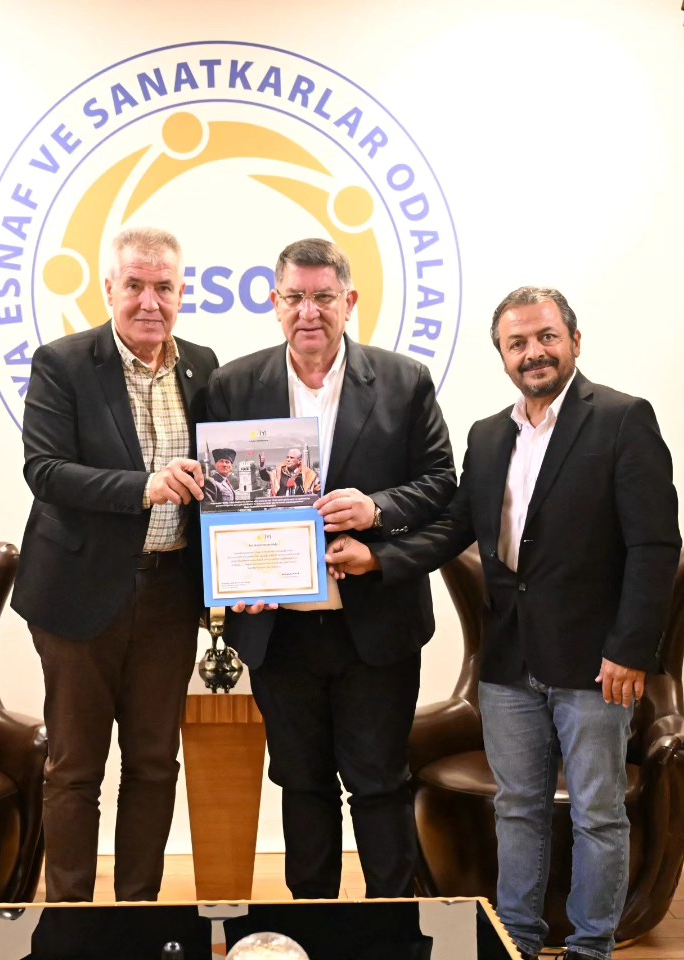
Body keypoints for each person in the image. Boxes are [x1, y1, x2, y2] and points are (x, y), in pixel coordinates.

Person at [326, 286, 680, 960]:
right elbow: (454, 526)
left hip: (596, 663)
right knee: (516, 808)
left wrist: (631, 650)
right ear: (503, 355)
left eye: (546, 337)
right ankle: (516, 941)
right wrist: (378, 558)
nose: (533, 352)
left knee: (598, 814)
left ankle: (591, 948)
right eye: (517, 343)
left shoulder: (623, 419)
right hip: (508, 662)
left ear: (574, 341)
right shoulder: (488, 436)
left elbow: (654, 546)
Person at [205, 238, 457, 899]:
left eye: (323, 297)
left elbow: (441, 484)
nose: (308, 311)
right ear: (274, 302)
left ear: (350, 301)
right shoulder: (233, 386)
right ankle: (312, 923)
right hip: (278, 630)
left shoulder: (404, 381)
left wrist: (377, 510)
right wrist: (236, 583)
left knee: (379, 784)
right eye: (295, 297)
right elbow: (215, 503)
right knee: (302, 784)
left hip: (376, 626)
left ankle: (393, 927)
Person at [11, 226, 219, 902]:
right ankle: (72, 920)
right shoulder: (64, 363)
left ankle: (137, 916)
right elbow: (45, 470)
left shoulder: (204, 366)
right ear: (108, 289)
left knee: (155, 763)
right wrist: (144, 486)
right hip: (78, 595)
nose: (149, 301)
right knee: (75, 768)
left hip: (169, 596)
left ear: (182, 292)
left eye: (164, 287)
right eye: (135, 285)